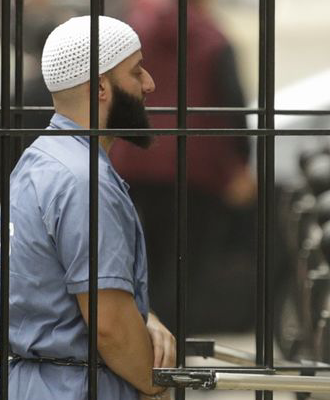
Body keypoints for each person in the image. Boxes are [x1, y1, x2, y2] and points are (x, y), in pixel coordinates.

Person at [0, 16, 176, 400]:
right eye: (136, 71)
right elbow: (109, 326)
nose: (149, 83)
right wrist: (157, 386)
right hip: (77, 387)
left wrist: (143, 318)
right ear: (101, 87)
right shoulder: (83, 179)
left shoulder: (39, 160)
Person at [109, 0, 258, 332]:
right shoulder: (214, 40)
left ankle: (144, 346)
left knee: (140, 263)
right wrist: (240, 163)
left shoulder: (136, 32)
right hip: (196, 168)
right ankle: (176, 355)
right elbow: (233, 106)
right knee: (186, 269)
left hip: (135, 163)